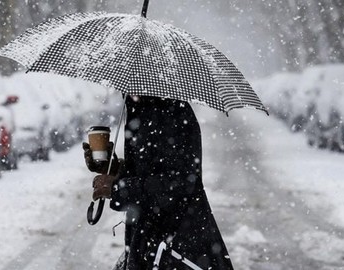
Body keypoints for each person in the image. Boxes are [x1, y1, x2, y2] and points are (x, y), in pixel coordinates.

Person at [83, 95, 233, 270]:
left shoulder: (171, 113)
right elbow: (149, 170)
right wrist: (114, 168)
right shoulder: (142, 107)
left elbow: (179, 183)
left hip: (175, 243)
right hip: (151, 241)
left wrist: (118, 189)